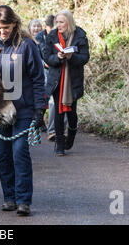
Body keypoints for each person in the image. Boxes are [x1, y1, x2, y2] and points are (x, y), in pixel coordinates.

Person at [0, 5, 46, 216]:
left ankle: (24, 200)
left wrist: (40, 109)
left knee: (19, 152)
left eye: (7, 28)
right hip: (0, 111)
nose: (2, 32)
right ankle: (9, 197)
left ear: (15, 25)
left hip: (23, 108)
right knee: (3, 155)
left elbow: (39, 79)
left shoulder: (27, 45)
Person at [44, 9, 90, 156]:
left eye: (61, 22)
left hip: (72, 80)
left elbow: (84, 57)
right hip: (57, 80)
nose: (58, 25)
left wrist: (71, 57)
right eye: (57, 22)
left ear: (69, 22)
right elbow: (46, 56)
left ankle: (71, 136)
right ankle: (59, 144)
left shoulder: (80, 35)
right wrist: (57, 57)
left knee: (72, 113)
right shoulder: (51, 36)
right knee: (58, 111)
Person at [35, 14, 67, 141]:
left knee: (60, 100)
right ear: (46, 27)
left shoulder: (60, 36)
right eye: (52, 28)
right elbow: (37, 56)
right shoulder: (39, 38)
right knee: (48, 101)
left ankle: (58, 130)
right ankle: (44, 125)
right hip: (43, 71)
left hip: (57, 70)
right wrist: (45, 62)